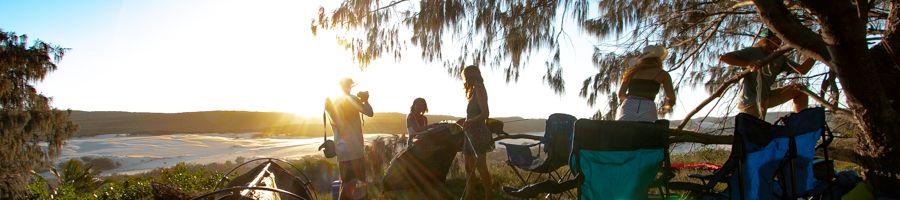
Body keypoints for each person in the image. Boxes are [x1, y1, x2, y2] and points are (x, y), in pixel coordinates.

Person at [719, 29, 815, 118]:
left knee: (799, 89)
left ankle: (799, 125)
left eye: (780, 41)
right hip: (750, 102)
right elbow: (725, 58)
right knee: (755, 131)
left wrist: (816, 53)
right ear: (765, 39)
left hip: (767, 97)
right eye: (775, 39)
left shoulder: (779, 57)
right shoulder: (752, 52)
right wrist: (748, 65)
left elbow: (802, 70)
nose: (778, 43)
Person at [325, 78, 374, 200]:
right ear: (349, 86)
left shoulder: (332, 102)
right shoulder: (352, 100)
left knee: (345, 183)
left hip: (342, 151)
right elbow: (370, 112)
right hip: (355, 149)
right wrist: (365, 100)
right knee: (360, 182)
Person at [616, 45, 677, 122]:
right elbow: (671, 98)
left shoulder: (631, 72)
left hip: (628, 106)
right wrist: (664, 110)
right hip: (648, 107)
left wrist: (632, 102)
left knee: (624, 131)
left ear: (643, 59)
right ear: (658, 59)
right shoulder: (663, 74)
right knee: (647, 132)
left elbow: (621, 94)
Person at [460, 65, 494, 200]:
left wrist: (470, 121)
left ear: (470, 76)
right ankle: (469, 196)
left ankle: (489, 197)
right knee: (468, 168)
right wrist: (466, 120)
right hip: (470, 134)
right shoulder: (474, 90)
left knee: (481, 168)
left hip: (478, 133)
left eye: (466, 77)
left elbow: (485, 113)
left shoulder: (479, 89)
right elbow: (476, 113)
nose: (465, 80)